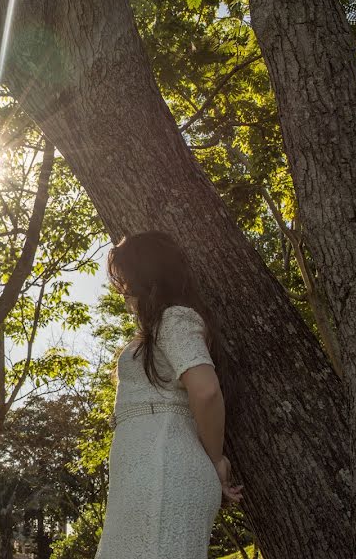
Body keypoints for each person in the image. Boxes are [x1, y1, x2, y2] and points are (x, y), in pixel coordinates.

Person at [95, 231, 243, 559]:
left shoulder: (175, 318)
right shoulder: (161, 327)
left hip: (164, 471)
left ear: (147, 279)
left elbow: (205, 390)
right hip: (143, 475)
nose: (124, 294)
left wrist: (216, 459)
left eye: (127, 282)